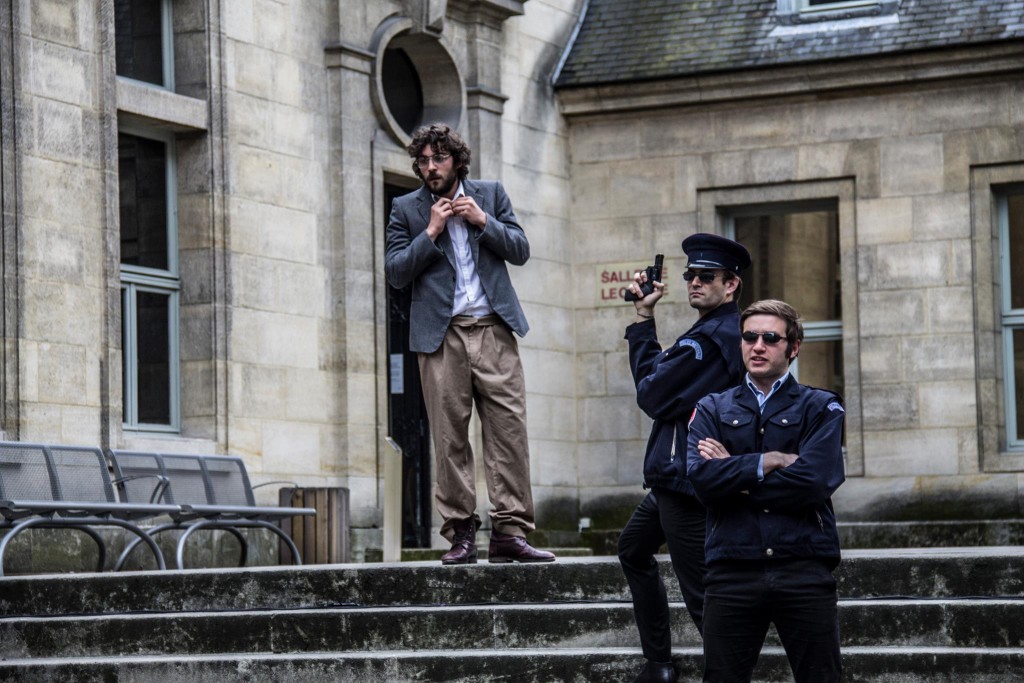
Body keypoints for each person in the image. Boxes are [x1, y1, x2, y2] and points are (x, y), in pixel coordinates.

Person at [384, 123, 554, 565]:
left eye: (436, 159)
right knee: (449, 437)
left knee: (509, 432)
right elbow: (396, 273)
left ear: (456, 159)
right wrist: (431, 232)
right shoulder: (406, 208)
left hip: (494, 329)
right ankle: (461, 534)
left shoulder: (491, 194)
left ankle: (510, 532)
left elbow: (520, 249)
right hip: (441, 337)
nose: (429, 167)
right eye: (421, 161)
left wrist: (483, 220)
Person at [686, 299, 846, 683]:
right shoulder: (711, 407)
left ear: (793, 348)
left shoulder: (821, 407)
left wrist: (735, 473)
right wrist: (769, 460)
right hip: (732, 569)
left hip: (803, 564)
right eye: (749, 336)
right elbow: (701, 480)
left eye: (770, 338)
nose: (757, 346)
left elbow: (814, 481)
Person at [619, 234, 751, 683]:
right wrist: (644, 316)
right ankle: (659, 663)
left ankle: (725, 676)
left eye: (706, 277)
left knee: (701, 594)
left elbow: (653, 394)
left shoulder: (712, 340)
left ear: (730, 285)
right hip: (675, 476)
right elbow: (660, 387)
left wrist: (642, 332)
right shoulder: (708, 333)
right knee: (633, 549)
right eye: (690, 275)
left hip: (686, 479)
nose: (694, 282)